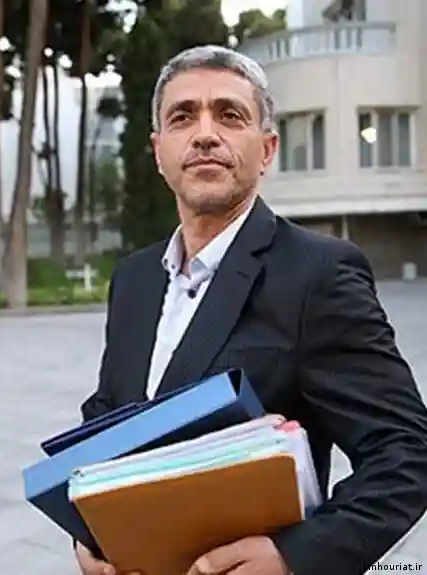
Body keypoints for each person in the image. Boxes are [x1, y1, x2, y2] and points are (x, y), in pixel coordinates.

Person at [74, 44, 427, 575]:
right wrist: (86, 529)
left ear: (267, 148)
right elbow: (109, 412)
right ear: (158, 151)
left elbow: (406, 452)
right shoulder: (134, 278)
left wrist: (293, 557)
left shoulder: (319, 275)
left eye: (230, 115)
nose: (205, 134)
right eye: (182, 117)